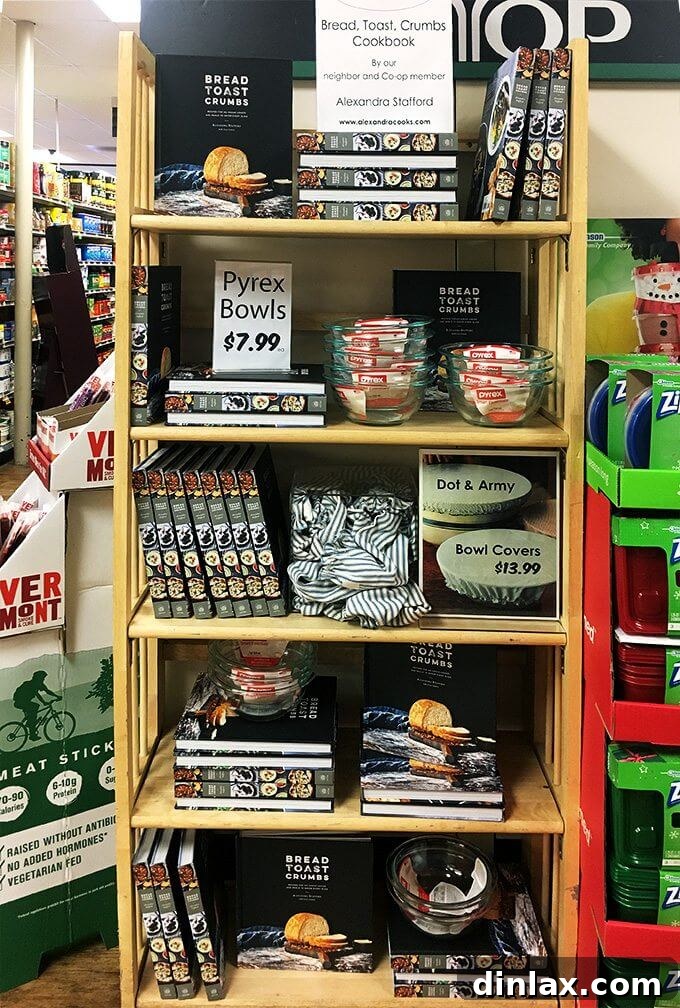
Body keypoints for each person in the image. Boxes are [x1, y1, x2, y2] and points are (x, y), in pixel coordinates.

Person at [12, 670, 59, 742]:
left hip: (22, 702)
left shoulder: (36, 683)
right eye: (42, 678)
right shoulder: (33, 684)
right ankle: (32, 734)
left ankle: (31, 726)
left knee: (32, 713)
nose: (43, 679)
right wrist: (48, 700)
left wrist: (55, 697)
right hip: (20, 702)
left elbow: (46, 691)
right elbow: (38, 694)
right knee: (34, 707)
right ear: (38, 678)